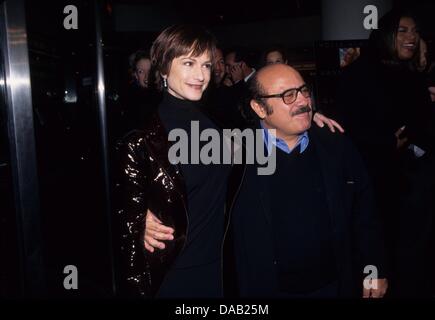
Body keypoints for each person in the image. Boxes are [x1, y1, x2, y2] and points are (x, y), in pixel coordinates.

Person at [116, 24, 344, 298]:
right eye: (189, 63)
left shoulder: (219, 121)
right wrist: (137, 219)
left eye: (207, 65)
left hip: (223, 270)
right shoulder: (141, 139)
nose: (200, 75)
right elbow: (122, 219)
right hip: (173, 273)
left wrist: (306, 116)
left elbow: (266, 120)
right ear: (163, 67)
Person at [232, 64, 388, 298]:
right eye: (288, 95)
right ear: (259, 107)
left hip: (335, 286)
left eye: (304, 91)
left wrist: (374, 269)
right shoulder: (236, 156)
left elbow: (365, 211)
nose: (303, 101)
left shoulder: (335, 144)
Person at [335, 9, 435, 297]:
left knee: (416, 256)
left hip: (415, 183)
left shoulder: (409, 74)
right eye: (403, 30)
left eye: (415, 31)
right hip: (377, 182)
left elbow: (422, 123)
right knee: (385, 252)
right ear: (386, 34)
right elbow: (348, 126)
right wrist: (386, 143)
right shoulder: (359, 74)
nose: (411, 37)